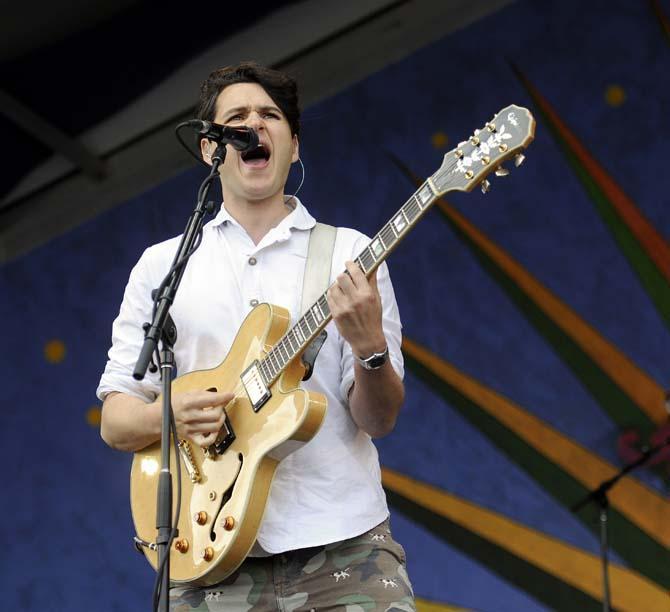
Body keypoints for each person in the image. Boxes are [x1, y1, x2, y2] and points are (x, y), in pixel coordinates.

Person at [97, 61, 415, 611]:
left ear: (294, 146)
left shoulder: (348, 255)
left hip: (343, 544)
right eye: (237, 118)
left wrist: (370, 351)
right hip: (206, 555)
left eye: (270, 116)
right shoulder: (163, 267)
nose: (255, 126)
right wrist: (168, 412)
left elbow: (378, 420)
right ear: (210, 148)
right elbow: (116, 419)